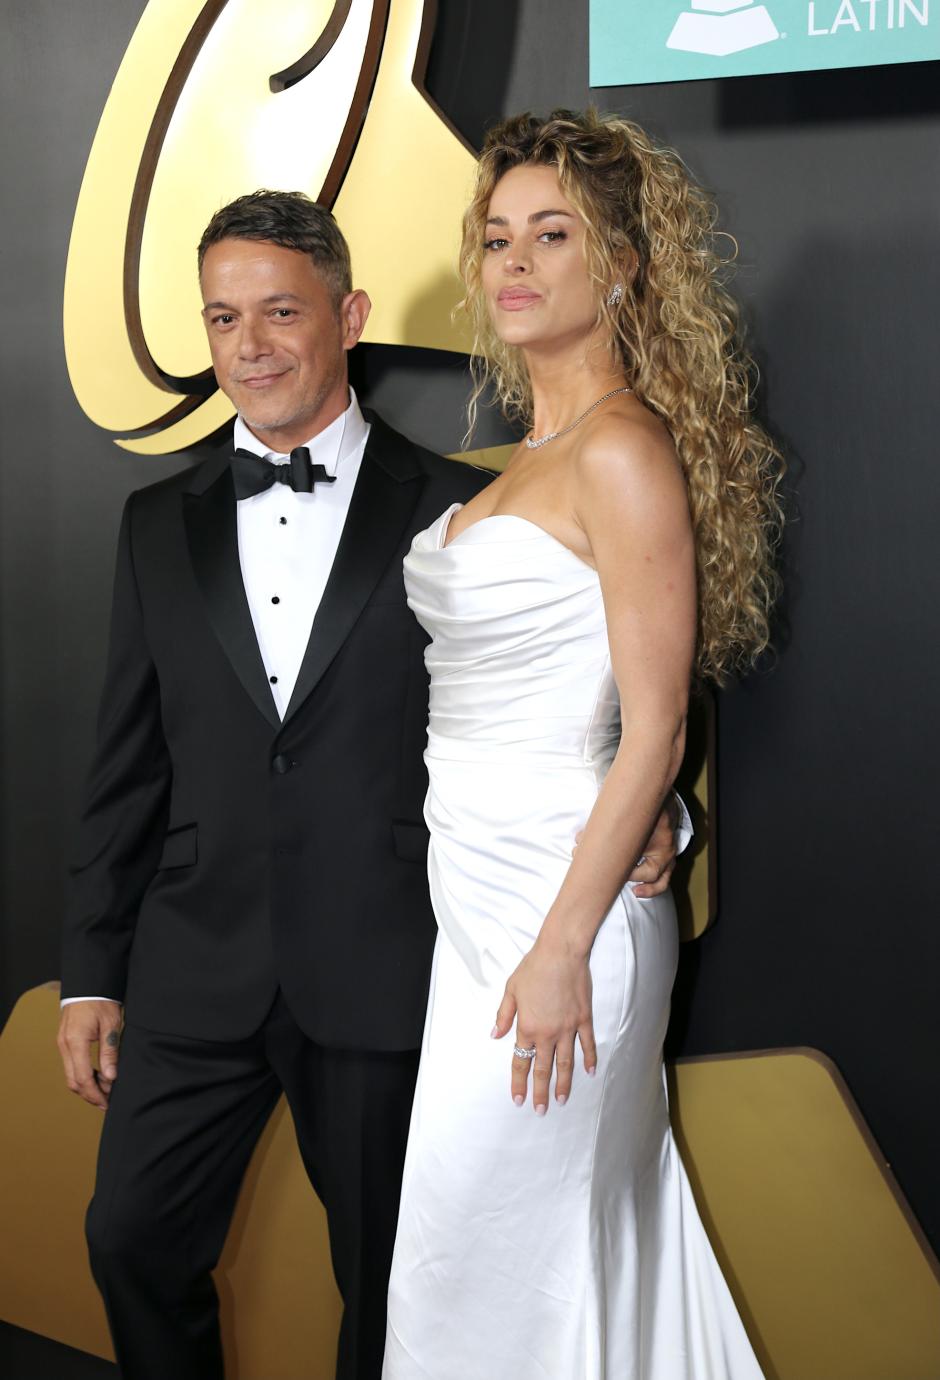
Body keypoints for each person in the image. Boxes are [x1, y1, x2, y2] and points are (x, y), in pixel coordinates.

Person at [56, 190, 681, 1380]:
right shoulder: (152, 525)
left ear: (345, 316)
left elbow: (594, 694)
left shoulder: (467, 506)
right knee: (127, 1239)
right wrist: (90, 973)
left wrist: (668, 810)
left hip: (395, 959)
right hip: (194, 963)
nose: (249, 344)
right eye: (224, 317)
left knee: (394, 1288)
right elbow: (121, 764)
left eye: (280, 312)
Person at [383, 110, 784, 1379]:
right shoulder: (521, 460)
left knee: (512, 1256)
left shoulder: (618, 448)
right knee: (477, 1262)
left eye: (551, 235)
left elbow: (654, 725)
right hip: (478, 917)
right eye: (496, 237)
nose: (511, 262)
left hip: (564, 927)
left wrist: (564, 948)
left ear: (618, 262)